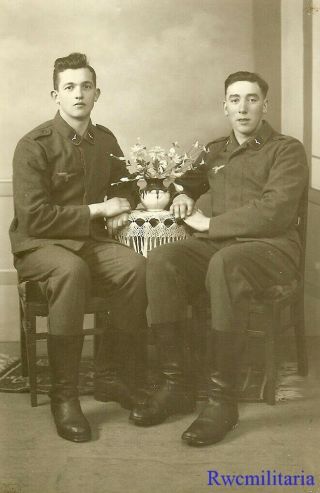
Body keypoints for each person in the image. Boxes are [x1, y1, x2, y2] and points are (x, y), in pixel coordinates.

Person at [130, 71, 309, 446]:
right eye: (234, 99)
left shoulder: (286, 150)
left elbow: (274, 212)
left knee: (225, 264)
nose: (242, 108)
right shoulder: (215, 152)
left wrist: (209, 222)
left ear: (265, 105)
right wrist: (183, 195)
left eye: (251, 99)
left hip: (271, 249)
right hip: (222, 245)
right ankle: (176, 384)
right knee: (163, 260)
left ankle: (222, 401)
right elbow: (191, 182)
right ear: (224, 105)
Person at [9, 53, 148, 443]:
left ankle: (110, 376)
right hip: (40, 245)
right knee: (72, 272)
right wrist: (100, 209)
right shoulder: (33, 145)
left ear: (97, 93)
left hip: (89, 242)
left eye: (86, 86)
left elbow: (124, 182)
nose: (78, 94)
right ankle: (65, 397)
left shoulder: (104, 140)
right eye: (69, 87)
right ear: (56, 95)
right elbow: (34, 217)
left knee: (135, 268)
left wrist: (122, 207)